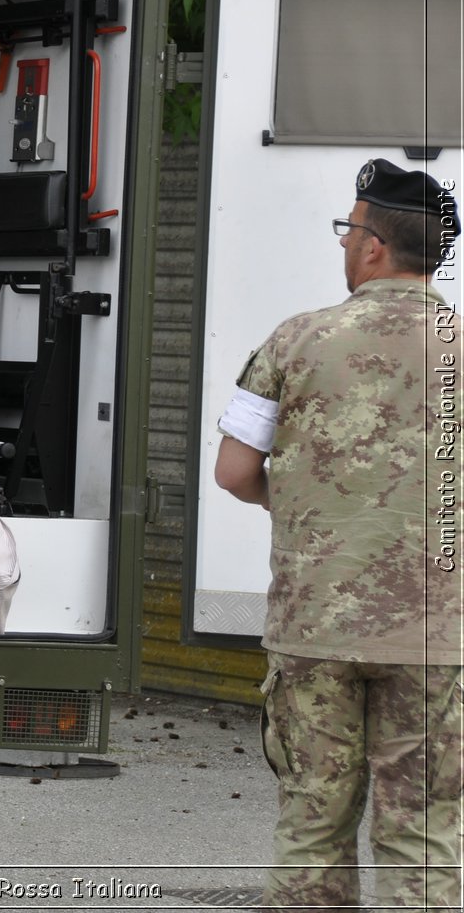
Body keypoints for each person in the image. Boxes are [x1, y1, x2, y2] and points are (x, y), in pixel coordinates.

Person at [214, 158, 463, 912]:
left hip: (313, 623)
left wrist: (305, 510)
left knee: (312, 831)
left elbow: (232, 470)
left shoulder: (294, 340)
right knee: (422, 837)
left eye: (347, 230)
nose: (343, 244)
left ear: (375, 244)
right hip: (437, 634)